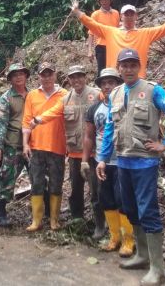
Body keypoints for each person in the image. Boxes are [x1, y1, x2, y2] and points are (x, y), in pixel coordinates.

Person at [96, 49, 165, 285]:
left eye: (133, 65)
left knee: (148, 210)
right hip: (122, 161)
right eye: (124, 65)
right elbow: (109, 129)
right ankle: (142, 255)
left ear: (139, 66)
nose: (128, 69)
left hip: (145, 162)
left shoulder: (152, 89)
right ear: (119, 67)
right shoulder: (115, 93)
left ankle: (157, 269)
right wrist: (103, 158)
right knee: (130, 208)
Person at [83, 67, 136, 257]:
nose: (107, 86)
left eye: (111, 82)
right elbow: (89, 136)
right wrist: (84, 159)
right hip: (101, 162)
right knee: (106, 199)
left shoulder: (127, 104)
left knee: (123, 200)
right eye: (104, 83)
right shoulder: (94, 109)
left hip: (123, 160)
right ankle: (114, 238)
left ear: (118, 84)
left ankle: (128, 240)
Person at [71, 0, 165, 78]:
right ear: (121, 17)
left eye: (131, 14)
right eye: (126, 14)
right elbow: (92, 24)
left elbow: (164, 29)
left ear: (136, 16)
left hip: (137, 79)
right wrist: (77, 12)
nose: (128, 16)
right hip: (115, 78)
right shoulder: (110, 32)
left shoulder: (145, 33)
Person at [22, 62, 67, 231]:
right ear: (38, 76)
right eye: (43, 74)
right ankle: (36, 220)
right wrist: (25, 143)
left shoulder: (65, 94)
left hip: (57, 145)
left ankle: (54, 220)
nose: (47, 77)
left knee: (56, 183)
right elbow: (26, 121)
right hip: (36, 146)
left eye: (50, 74)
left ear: (55, 75)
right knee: (37, 183)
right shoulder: (32, 95)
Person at [63, 65, 102, 236]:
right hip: (74, 153)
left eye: (79, 76)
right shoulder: (65, 99)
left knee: (96, 190)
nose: (76, 80)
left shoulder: (97, 95)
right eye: (73, 77)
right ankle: (77, 220)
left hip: (94, 153)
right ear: (69, 80)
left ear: (85, 77)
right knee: (75, 189)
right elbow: (58, 122)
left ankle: (100, 225)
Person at [0, 63, 30, 228]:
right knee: (7, 179)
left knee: (39, 178)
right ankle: (0, 211)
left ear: (26, 76)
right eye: (15, 75)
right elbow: (1, 124)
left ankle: (46, 212)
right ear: (10, 79)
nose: (19, 77)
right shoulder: (6, 98)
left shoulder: (33, 95)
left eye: (21, 74)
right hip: (13, 144)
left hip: (32, 144)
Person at [87, 0, 120, 74]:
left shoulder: (116, 13)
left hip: (114, 45)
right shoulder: (96, 15)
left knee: (114, 70)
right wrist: (90, 50)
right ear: (99, 1)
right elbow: (91, 33)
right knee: (102, 71)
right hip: (101, 46)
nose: (104, 1)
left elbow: (117, 31)